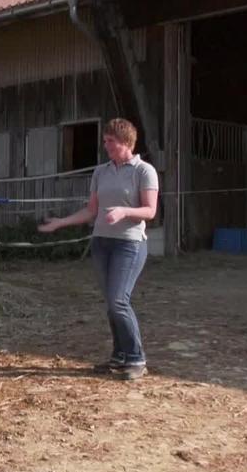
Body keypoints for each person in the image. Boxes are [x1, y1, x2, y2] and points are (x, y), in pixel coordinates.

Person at [38, 118, 159, 380]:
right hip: (102, 243)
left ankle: (137, 358)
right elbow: (92, 211)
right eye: (105, 141)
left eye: (110, 141)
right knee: (112, 304)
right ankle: (119, 357)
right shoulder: (101, 172)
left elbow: (150, 210)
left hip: (129, 244)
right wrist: (62, 222)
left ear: (126, 142)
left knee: (118, 301)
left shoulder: (144, 171)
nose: (105, 146)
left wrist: (124, 211)